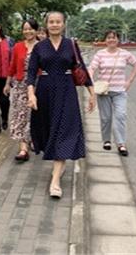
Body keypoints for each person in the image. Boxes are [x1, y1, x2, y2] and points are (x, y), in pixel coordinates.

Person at [27, 11, 95, 198]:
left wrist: (92, 93)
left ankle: (55, 180)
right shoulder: (40, 47)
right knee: (50, 131)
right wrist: (31, 94)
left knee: (64, 132)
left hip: (67, 92)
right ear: (46, 25)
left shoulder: (70, 44)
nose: (55, 24)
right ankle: (59, 165)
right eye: (51, 22)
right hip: (45, 93)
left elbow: (81, 68)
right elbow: (31, 73)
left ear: (63, 24)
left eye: (58, 22)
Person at [88, 30, 136, 156]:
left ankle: (121, 143)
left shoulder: (124, 54)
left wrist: (129, 81)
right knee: (106, 118)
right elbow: (92, 68)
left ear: (118, 39)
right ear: (105, 40)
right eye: (109, 37)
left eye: (114, 37)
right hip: (104, 91)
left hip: (120, 91)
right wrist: (91, 82)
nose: (111, 40)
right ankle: (106, 140)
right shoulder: (100, 54)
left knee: (121, 116)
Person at [3, 19, 39, 162]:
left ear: (36, 30)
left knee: (34, 114)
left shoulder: (43, 46)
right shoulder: (18, 46)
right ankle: (23, 148)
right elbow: (12, 66)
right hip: (20, 84)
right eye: (25, 29)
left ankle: (34, 139)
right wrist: (7, 84)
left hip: (38, 84)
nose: (28, 31)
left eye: (30, 29)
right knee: (20, 115)